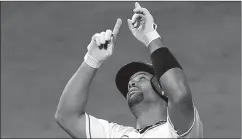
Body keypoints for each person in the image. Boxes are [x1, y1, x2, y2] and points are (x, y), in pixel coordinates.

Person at [55, 2, 203, 138]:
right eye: (130, 83)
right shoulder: (113, 134)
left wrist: (151, 36)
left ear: (162, 87)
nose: (132, 84)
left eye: (141, 78)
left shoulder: (179, 129)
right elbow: (67, 116)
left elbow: (180, 94)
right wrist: (92, 59)